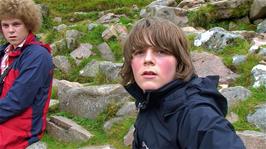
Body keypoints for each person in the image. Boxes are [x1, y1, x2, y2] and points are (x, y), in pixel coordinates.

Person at [120, 17, 245, 149]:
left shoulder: (196, 114)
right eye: (139, 52)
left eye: (161, 52)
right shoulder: (149, 102)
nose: (148, 60)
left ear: (179, 61)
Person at [0, 0, 53, 148]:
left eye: (16, 24)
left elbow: (17, 101)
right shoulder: (5, 51)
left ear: (28, 24)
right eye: (5, 25)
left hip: (21, 124)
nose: (10, 30)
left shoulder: (37, 56)